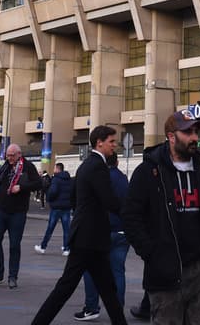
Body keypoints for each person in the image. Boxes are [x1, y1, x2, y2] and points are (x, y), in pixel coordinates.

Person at [122, 108, 200, 325]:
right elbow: (131, 217)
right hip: (165, 270)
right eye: (188, 132)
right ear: (171, 137)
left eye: (196, 132)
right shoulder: (148, 172)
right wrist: (151, 253)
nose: (195, 138)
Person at [29, 125, 128, 325]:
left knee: (107, 289)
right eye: (112, 141)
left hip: (90, 238)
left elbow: (75, 197)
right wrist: (133, 215)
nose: (115, 145)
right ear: (99, 142)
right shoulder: (97, 166)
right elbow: (109, 200)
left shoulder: (86, 165)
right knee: (66, 287)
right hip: (89, 239)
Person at [77, 146, 133, 321]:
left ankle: (91, 307)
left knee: (91, 270)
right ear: (116, 162)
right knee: (118, 271)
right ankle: (117, 309)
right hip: (122, 231)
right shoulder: (123, 179)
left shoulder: (99, 176)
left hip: (102, 231)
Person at [0, 142, 42, 289]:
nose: (9, 158)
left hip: (18, 212)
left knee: (14, 245)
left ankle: (12, 276)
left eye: (12, 155)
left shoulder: (27, 167)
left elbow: (38, 183)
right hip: (1, 210)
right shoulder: (5, 166)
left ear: (19, 154)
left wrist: (21, 187)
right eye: (8, 155)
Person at [36, 162, 74, 255]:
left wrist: (49, 198)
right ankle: (66, 248)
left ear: (57, 169)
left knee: (50, 228)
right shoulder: (69, 179)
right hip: (66, 207)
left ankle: (43, 246)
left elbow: (53, 191)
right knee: (66, 229)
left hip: (56, 207)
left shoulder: (56, 179)